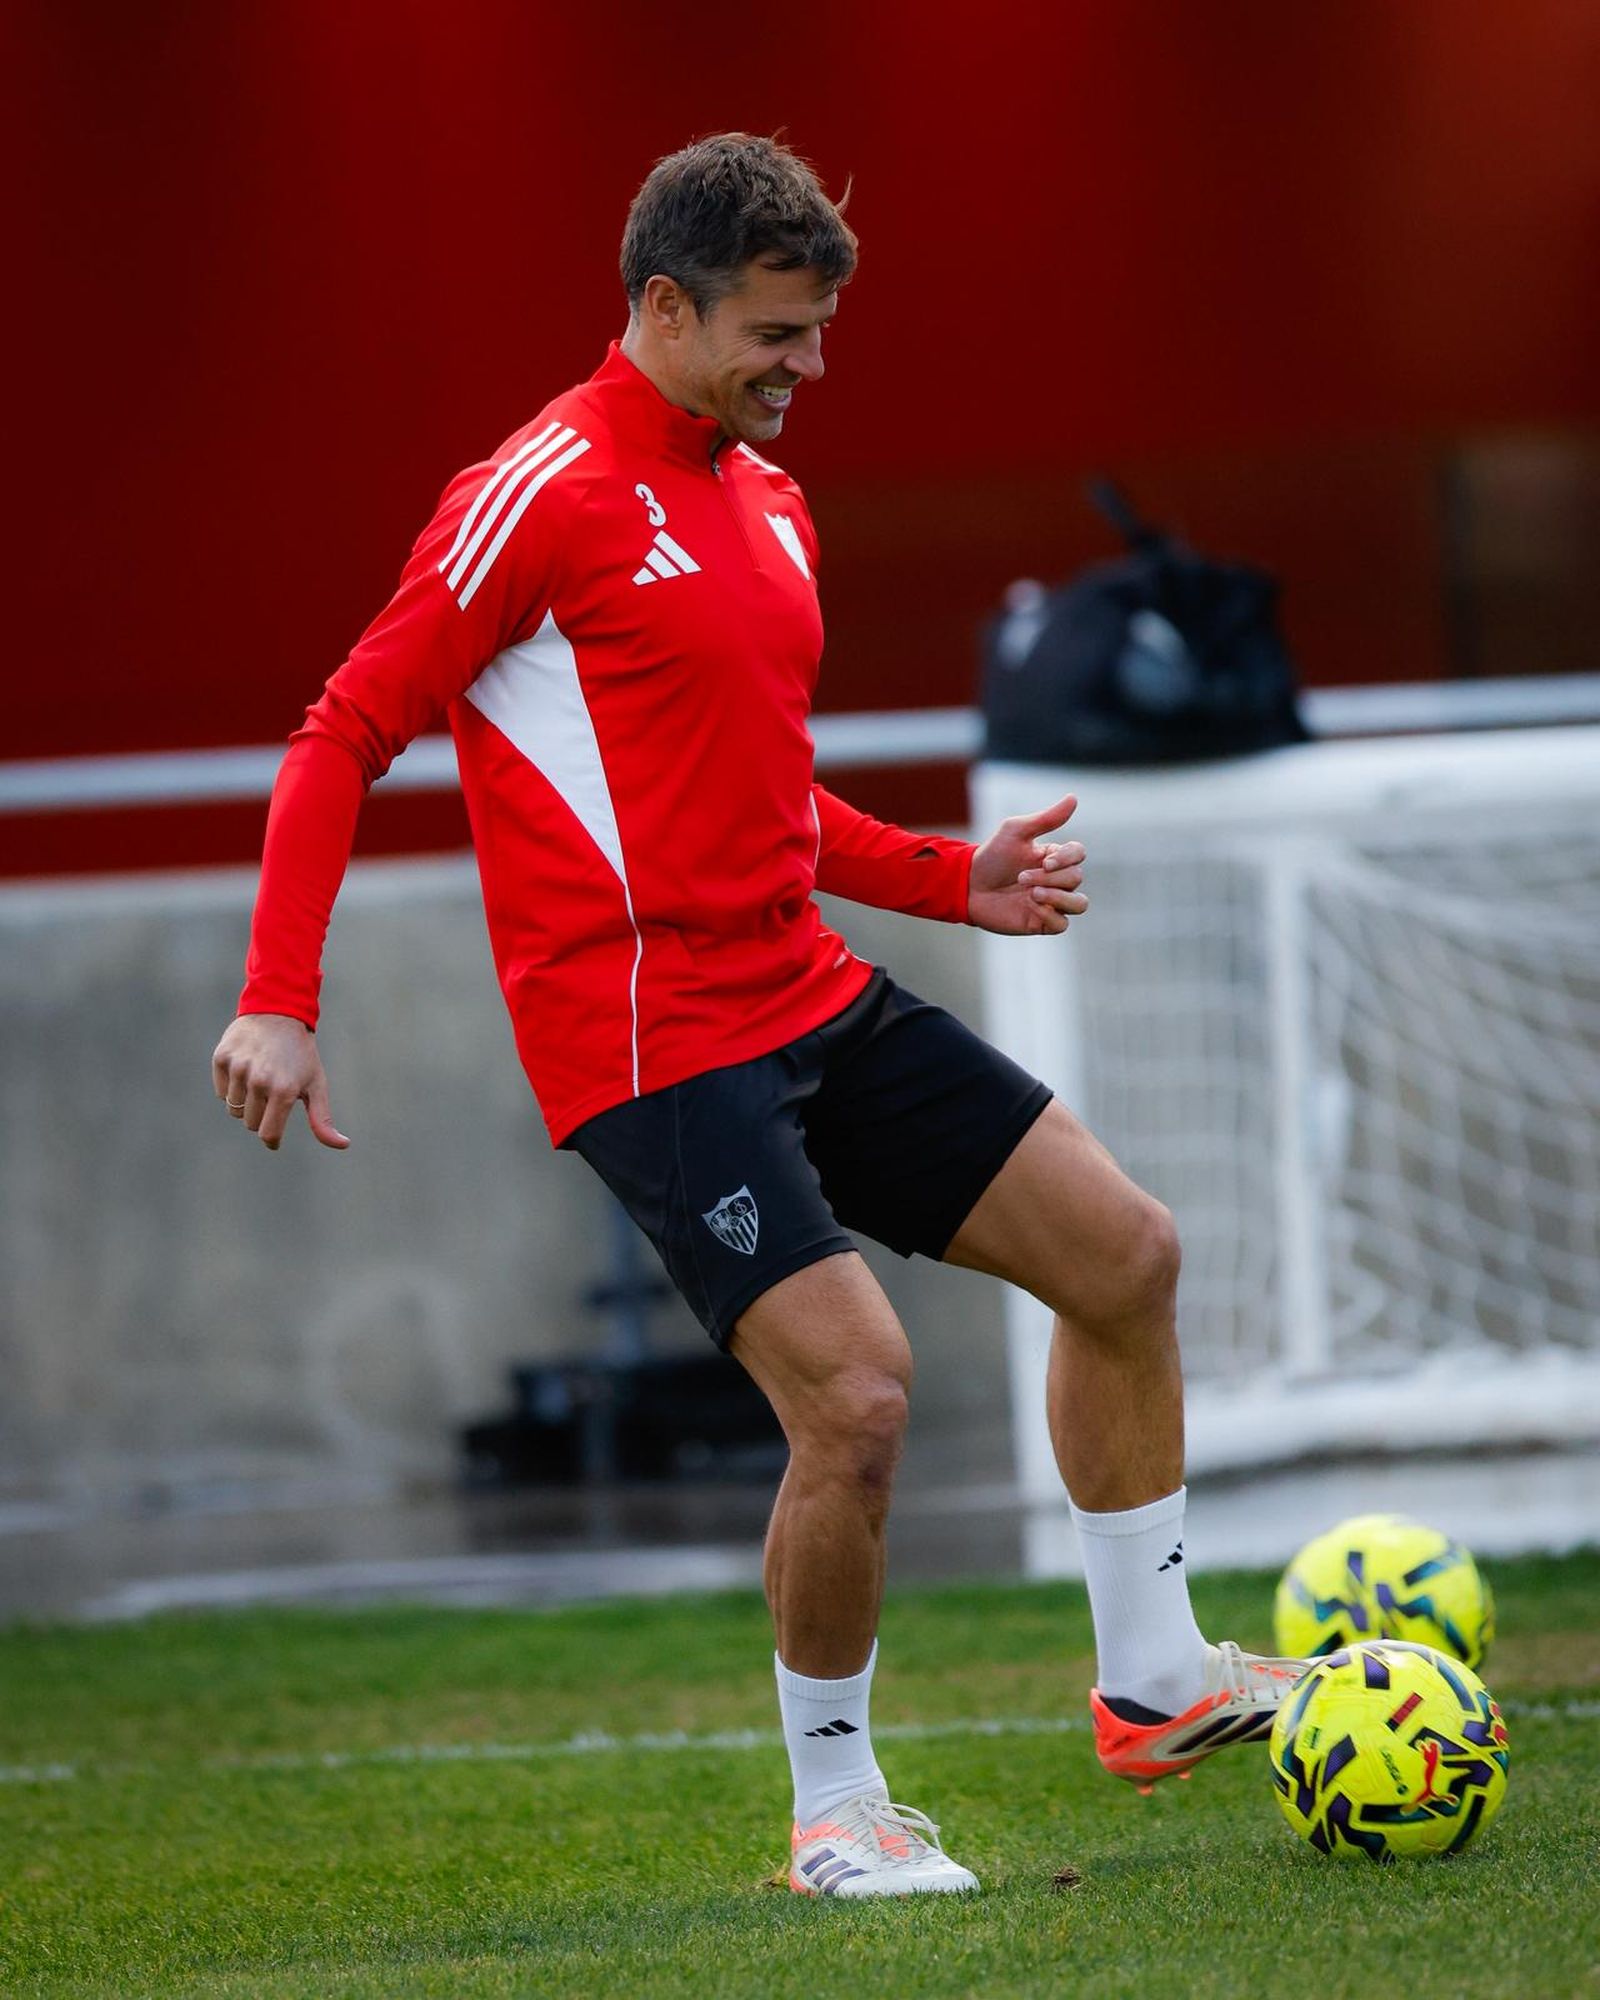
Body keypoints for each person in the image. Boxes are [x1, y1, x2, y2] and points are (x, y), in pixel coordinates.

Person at [212, 133, 1306, 1898]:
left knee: (1127, 1256)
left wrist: (954, 880)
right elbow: (343, 730)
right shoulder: (538, 490)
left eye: (817, 333)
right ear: (666, 305)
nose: (808, 368)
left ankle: (1157, 1680)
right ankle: (836, 1815)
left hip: (807, 988)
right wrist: (279, 999)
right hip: (650, 1044)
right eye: (777, 334)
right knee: (858, 1397)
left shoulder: (773, 507)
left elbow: (757, 794)